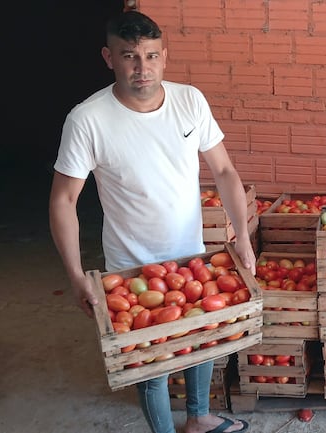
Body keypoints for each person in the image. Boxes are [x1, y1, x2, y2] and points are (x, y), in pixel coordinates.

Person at [49, 10, 254, 433]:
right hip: (131, 264)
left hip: (191, 254)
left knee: (202, 339)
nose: (142, 68)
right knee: (150, 363)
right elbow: (63, 200)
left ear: (164, 55)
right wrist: (75, 275)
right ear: (109, 57)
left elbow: (226, 173)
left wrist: (244, 240)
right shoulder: (87, 120)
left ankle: (198, 418)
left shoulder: (189, 100)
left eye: (151, 56)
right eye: (129, 56)